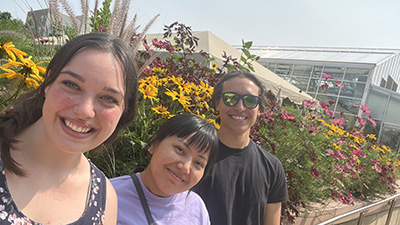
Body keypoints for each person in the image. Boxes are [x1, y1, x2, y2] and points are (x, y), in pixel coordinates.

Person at [0, 32, 138, 225]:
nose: (84, 111)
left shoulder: (105, 200)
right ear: (48, 82)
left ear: (124, 111)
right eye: (71, 85)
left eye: (108, 98)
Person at [193, 70, 289, 225]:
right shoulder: (194, 156)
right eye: (230, 98)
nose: (240, 107)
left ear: (259, 109)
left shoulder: (272, 167)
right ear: (217, 103)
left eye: (250, 101)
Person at [111, 113, 218, 225]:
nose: (185, 168)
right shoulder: (109, 196)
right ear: (154, 145)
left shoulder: (196, 207)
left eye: (198, 163)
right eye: (180, 150)